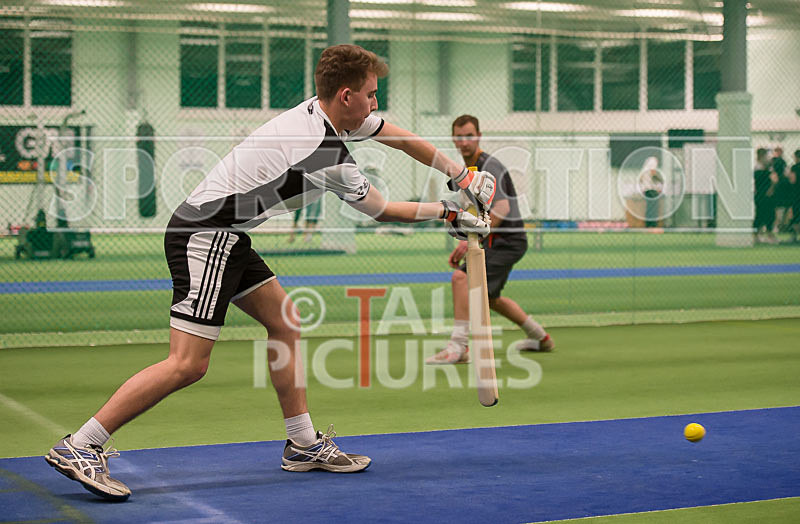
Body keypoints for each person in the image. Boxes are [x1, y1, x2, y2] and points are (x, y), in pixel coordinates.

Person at [44, 44, 497, 501]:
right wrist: (449, 212)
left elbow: (395, 135)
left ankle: (302, 445)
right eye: (371, 94)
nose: (376, 103)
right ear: (345, 96)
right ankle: (81, 445)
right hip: (208, 235)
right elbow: (380, 210)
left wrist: (460, 176)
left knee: (285, 321)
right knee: (187, 364)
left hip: (227, 234)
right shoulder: (323, 151)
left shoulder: (323, 113)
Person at [426, 115, 554, 366]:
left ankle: (459, 347)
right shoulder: (464, 169)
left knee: (460, 278)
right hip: (498, 242)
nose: (464, 142)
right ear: (453, 138)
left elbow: (503, 208)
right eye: (460, 137)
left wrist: (469, 241)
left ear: (479, 136)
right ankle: (540, 338)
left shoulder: (488, 165)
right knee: (491, 298)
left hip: (507, 241)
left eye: (469, 136)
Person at [753, 147, 778, 244]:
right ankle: (756, 235)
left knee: (770, 214)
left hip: (768, 196)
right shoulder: (758, 167)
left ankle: (769, 234)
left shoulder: (769, 167)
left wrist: (771, 189)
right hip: (760, 195)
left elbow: (774, 180)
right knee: (760, 214)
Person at [639, 156, 664, 228]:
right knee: (654, 207)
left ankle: (648, 224)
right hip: (651, 189)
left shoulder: (644, 168)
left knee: (649, 207)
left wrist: (643, 187)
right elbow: (653, 173)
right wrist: (660, 182)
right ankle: (653, 225)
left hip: (646, 189)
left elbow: (641, 179)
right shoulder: (654, 161)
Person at [786, 150, 800, 243]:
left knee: (796, 215)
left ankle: (794, 235)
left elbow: (792, 180)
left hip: (796, 194)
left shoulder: (795, 167)